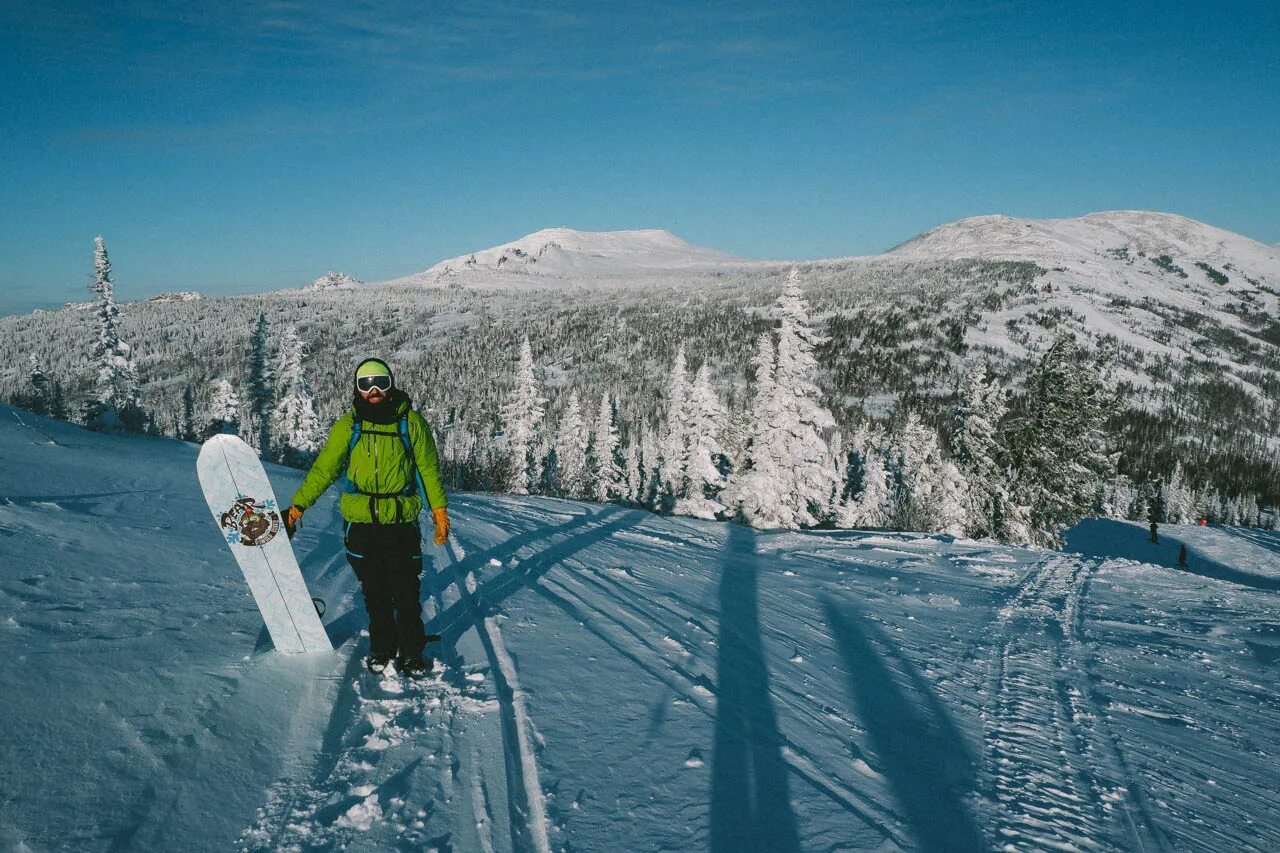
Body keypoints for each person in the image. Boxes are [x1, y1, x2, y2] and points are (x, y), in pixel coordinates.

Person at [283, 358, 449, 676]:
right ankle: (382, 647)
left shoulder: (411, 423)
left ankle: (412, 651)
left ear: (391, 384)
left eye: (381, 382)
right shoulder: (349, 425)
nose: (374, 390)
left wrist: (439, 511)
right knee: (374, 591)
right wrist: (298, 506)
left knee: (406, 590)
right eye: (366, 383)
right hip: (361, 522)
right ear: (357, 389)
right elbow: (325, 469)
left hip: (400, 520)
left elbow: (428, 470)